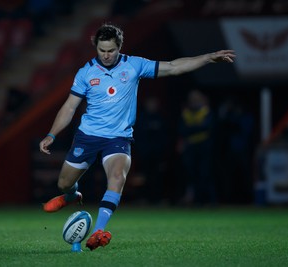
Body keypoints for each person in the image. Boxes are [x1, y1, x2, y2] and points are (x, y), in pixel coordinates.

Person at [39, 23, 235, 250]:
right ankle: (72, 196)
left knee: (117, 177)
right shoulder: (86, 72)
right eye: (101, 50)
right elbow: (69, 107)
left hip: (119, 138)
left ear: (119, 47)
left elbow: (173, 67)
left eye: (111, 50)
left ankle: (98, 231)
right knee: (64, 183)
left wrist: (209, 58)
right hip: (88, 136)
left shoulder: (134, 65)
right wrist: (52, 134)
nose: (106, 55)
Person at [177, 89, 216, 205]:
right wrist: (196, 128)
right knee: (191, 174)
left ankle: (210, 200)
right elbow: (182, 130)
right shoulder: (186, 113)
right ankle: (194, 199)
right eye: (192, 99)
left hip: (205, 147)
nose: (194, 102)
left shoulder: (207, 112)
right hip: (190, 147)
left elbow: (207, 128)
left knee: (205, 173)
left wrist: (192, 129)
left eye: (196, 99)